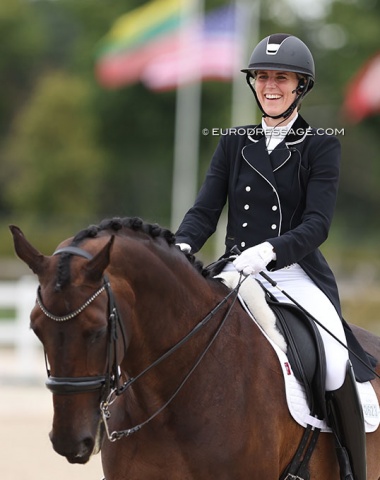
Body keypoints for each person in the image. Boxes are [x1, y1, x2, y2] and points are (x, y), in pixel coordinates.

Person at [175, 33, 372, 480]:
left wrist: (271, 250)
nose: (270, 85)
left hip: (295, 273)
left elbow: (317, 224)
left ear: (300, 86)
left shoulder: (321, 145)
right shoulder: (234, 142)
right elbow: (206, 210)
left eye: (281, 78)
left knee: (335, 361)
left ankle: (348, 466)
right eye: (263, 76)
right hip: (235, 269)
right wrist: (182, 245)